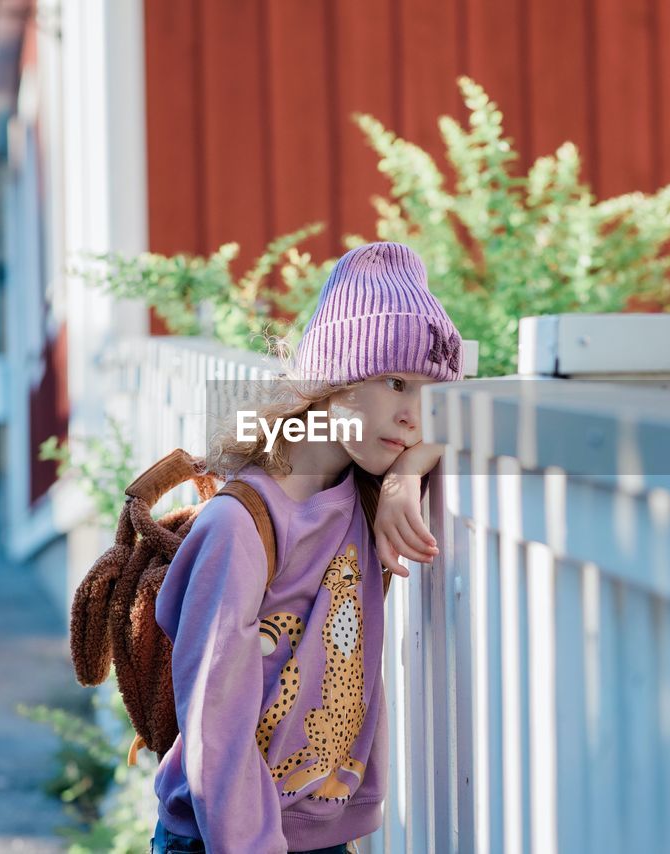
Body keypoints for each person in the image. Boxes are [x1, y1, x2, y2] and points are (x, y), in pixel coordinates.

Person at [150, 242, 465, 854]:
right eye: (394, 382)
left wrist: (411, 470)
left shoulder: (364, 497)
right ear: (329, 380)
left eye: (429, 398)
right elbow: (215, 726)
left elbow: (510, 417)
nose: (412, 417)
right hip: (226, 838)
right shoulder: (240, 527)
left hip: (318, 834)